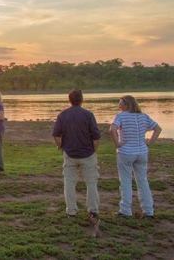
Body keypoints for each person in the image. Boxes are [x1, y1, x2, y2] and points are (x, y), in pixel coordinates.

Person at [52, 89, 101, 221]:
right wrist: (93, 150)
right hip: (88, 154)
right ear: (81, 100)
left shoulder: (63, 115)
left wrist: (60, 147)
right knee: (91, 183)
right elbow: (96, 137)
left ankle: (71, 211)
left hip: (70, 154)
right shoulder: (88, 114)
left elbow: (56, 135)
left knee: (69, 183)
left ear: (70, 100)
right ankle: (93, 210)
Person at [110, 95, 162, 218]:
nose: (119, 105)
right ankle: (149, 211)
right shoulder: (143, 116)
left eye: (120, 103)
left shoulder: (120, 116)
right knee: (143, 181)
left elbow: (112, 130)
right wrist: (149, 143)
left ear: (126, 105)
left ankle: (125, 211)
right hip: (142, 153)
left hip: (126, 153)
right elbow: (158, 129)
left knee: (125, 181)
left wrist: (118, 144)